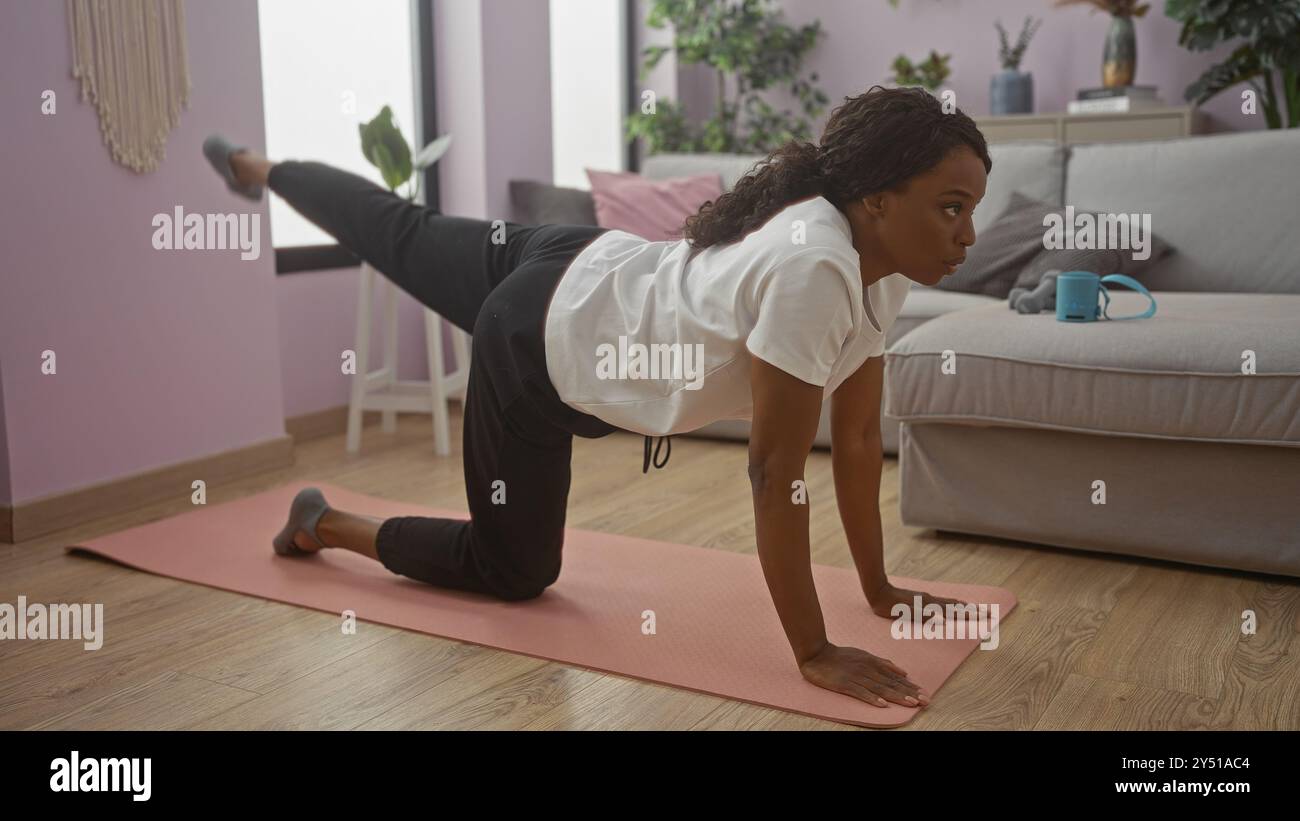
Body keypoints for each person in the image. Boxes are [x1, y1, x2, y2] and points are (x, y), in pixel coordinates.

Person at [204, 84, 990, 709]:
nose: (967, 235)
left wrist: (879, 590)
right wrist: (813, 651)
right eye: (950, 208)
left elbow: (854, 443)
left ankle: (259, 168)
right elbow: (775, 473)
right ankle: (323, 522)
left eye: (972, 211)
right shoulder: (815, 268)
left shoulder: (875, 267)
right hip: (536, 341)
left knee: (406, 228)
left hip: (583, 259)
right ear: (879, 199)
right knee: (512, 571)